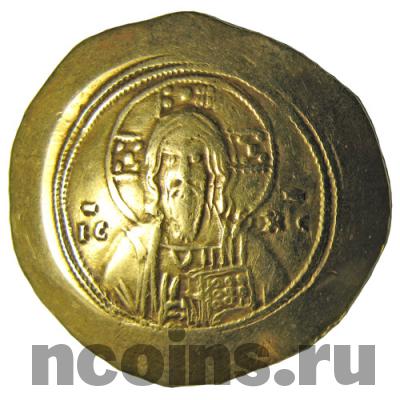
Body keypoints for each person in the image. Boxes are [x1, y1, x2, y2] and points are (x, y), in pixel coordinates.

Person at [102, 110, 288, 326]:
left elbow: (281, 313)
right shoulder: (136, 250)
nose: (183, 175)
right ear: (155, 176)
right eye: (171, 160)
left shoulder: (242, 247)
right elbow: (111, 313)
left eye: (196, 160)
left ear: (214, 175)